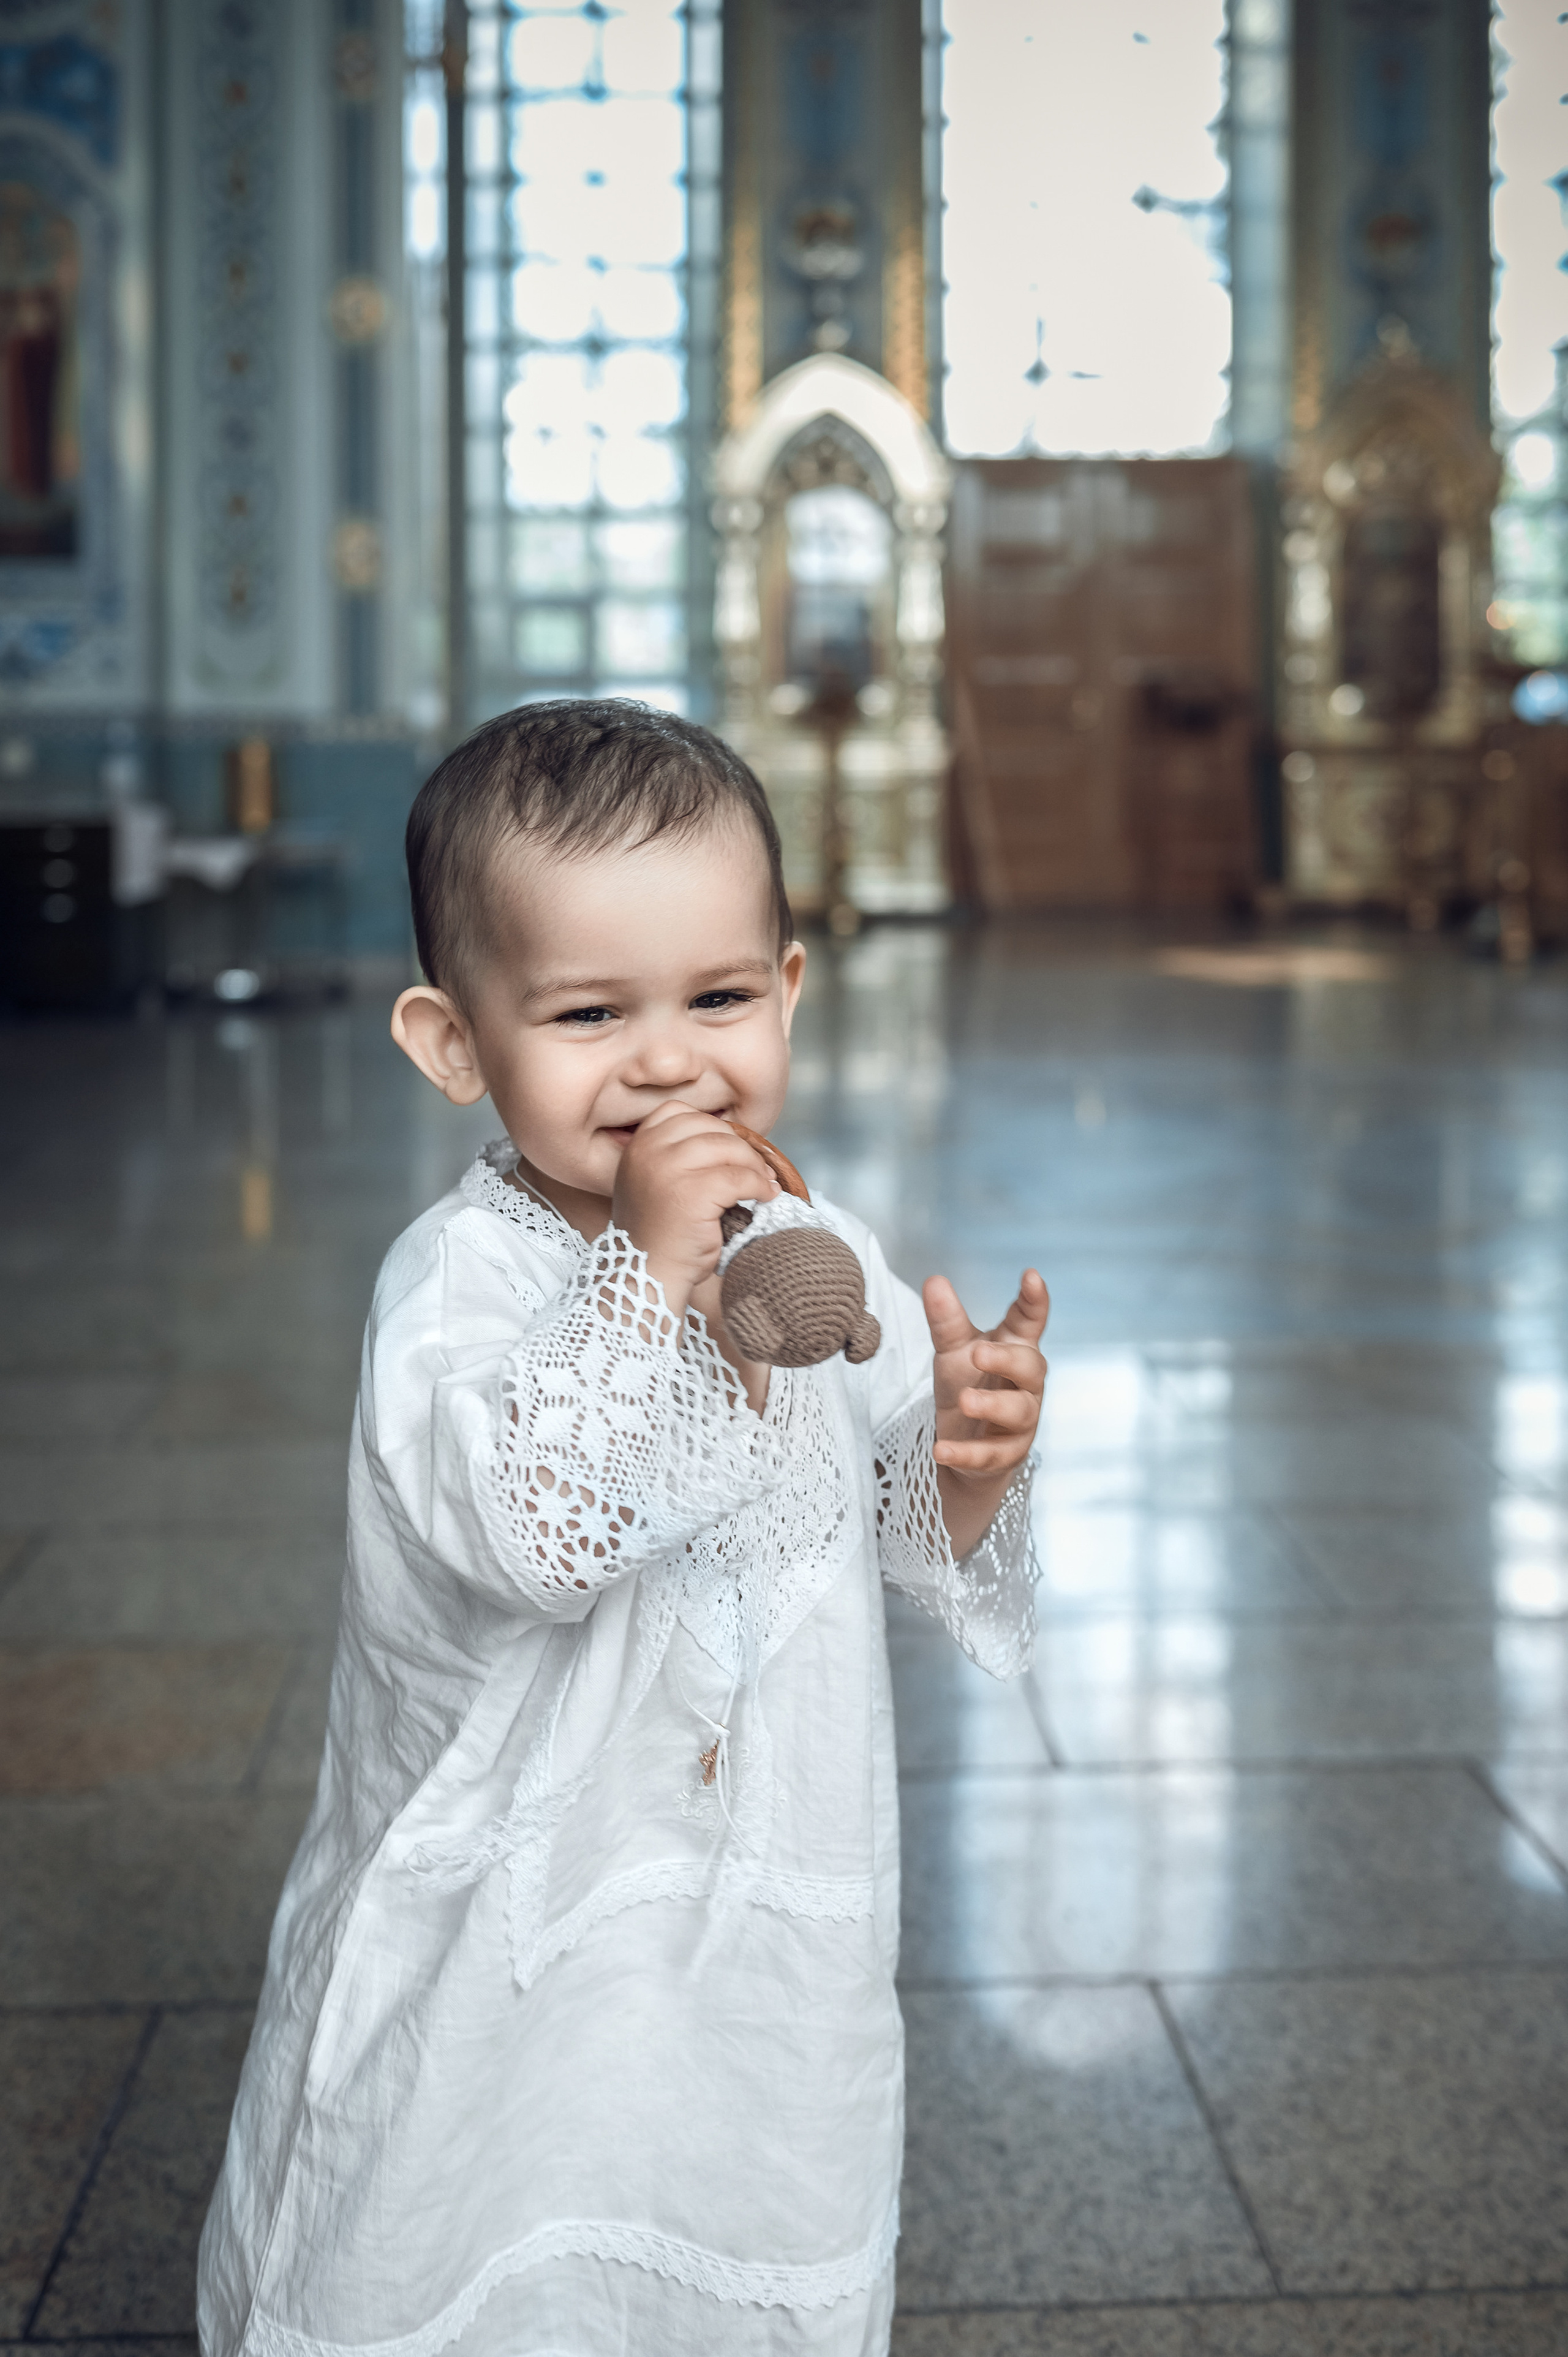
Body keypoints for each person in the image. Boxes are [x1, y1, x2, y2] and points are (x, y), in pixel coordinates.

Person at [197, 700, 1048, 2357]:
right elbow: (534, 1532)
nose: (667, 1062)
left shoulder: (814, 1242)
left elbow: (886, 1520)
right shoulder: (455, 1286)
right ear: (456, 1044)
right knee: (472, 2181)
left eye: (718, 999)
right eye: (590, 1013)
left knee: (727, 2161)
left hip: (754, 1903)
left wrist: (964, 1454)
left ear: (788, 990)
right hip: (518, 1902)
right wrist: (649, 1270)